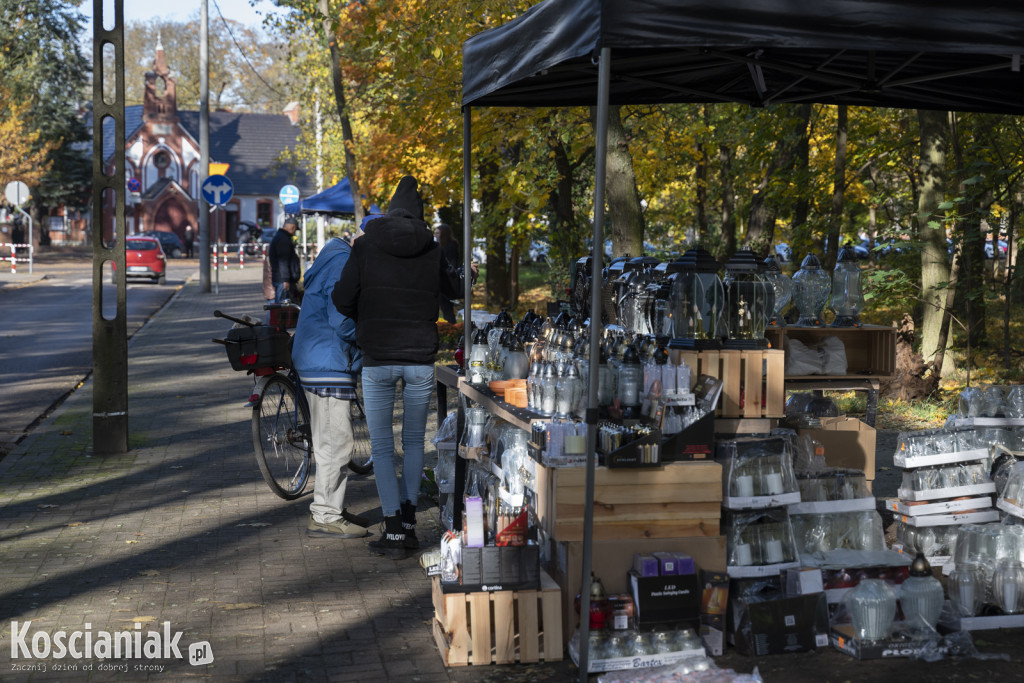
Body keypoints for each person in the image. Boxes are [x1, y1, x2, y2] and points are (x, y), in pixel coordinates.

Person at [333, 176, 468, 559]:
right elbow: (454, 290)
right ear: (419, 215)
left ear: (390, 210)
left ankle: (393, 528)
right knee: (413, 443)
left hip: (377, 358)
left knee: (381, 445)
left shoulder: (365, 246)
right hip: (420, 358)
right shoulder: (432, 248)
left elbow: (342, 299)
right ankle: (408, 525)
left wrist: (367, 313)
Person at [291, 236, 368, 539]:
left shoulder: (332, 258)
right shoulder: (342, 263)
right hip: (329, 364)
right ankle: (325, 514)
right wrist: (368, 335)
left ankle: (330, 508)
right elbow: (341, 319)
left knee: (329, 441)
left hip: (319, 360)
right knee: (336, 443)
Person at [269, 216, 301, 303]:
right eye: (295, 229)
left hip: (280, 278)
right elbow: (283, 261)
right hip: (282, 280)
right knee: (283, 306)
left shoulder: (280, 236)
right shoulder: (283, 239)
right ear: (292, 227)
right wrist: (285, 280)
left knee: (282, 305)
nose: (294, 232)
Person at [434, 223, 461, 323]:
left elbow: (450, 265)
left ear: (443, 235)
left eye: (438, 233)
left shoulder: (450, 247)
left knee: (447, 308)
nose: (436, 235)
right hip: (442, 279)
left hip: (447, 281)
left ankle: (451, 327)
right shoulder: (442, 246)